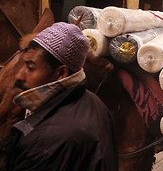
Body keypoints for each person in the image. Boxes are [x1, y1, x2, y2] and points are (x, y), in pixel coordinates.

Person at [7, 22, 118, 170]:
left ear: (61, 73)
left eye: (30, 68)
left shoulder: (47, 141)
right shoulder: (94, 102)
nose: (19, 75)